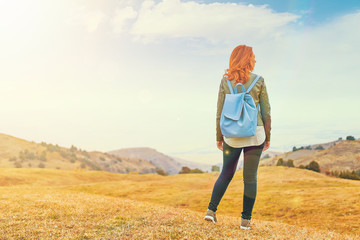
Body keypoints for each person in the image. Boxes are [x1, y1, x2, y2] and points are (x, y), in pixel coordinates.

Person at [204, 45, 271, 230]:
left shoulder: (225, 81)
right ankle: (245, 221)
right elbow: (266, 111)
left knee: (226, 173)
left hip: (231, 135)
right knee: (250, 178)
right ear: (247, 59)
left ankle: (211, 211)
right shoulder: (259, 80)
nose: (256, 60)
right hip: (254, 135)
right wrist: (268, 136)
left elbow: (219, 111)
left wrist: (219, 136)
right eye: (254, 57)